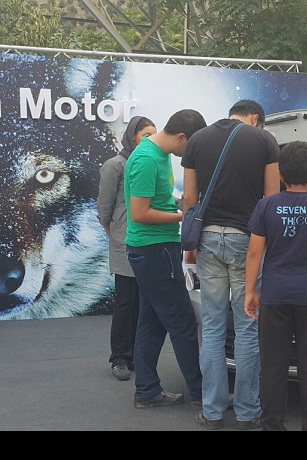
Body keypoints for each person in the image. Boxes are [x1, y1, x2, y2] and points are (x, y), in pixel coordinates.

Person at [181, 99, 281, 430]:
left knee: (212, 327)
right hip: (246, 241)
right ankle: (248, 411)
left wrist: (189, 248)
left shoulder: (197, 140)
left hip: (208, 238)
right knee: (247, 326)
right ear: (255, 118)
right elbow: (270, 199)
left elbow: (189, 199)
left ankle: (211, 411)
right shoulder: (264, 140)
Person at [244, 141, 307, 431]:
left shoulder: (266, 206)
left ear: (280, 175)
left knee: (273, 365)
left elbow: (254, 253)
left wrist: (250, 291)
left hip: (275, 296)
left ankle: (272, 423)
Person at [124, 109, 206, 409]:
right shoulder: (147, 159)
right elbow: (139, 213)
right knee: (182, 322)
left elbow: (153, 200)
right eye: (191, 146)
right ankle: (202, 394)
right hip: (154, 250)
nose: (191, 154)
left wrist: (176, 203)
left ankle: (147, 390)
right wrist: (183, 216)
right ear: (181, 137)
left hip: (155, 249)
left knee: (152, 322)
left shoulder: (160, 155)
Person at [98, 116, 156, 382]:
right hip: (124, 241)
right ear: (133, 136)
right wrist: (116, 235)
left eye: (153, 135)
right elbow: (104, 206)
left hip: (149, 240)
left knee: (144, 303)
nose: (150, 140)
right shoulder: (115, 165)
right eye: (146, 135)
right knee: (125, 301)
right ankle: (120, 357)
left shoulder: (151, 163)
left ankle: (136, 354)